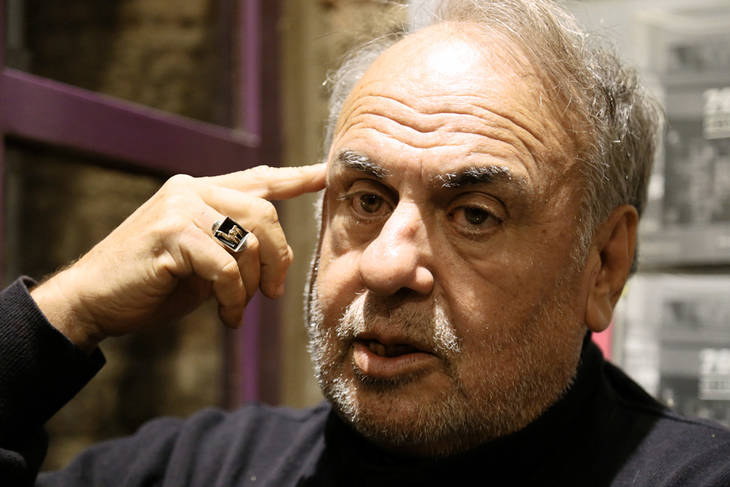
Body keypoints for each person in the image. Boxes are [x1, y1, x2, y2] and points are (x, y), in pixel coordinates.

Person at [2, 0, 729, 485]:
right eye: (367, 200)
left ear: (603, 265)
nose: (385, 265)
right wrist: (64, 314)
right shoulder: (205, 467)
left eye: (475, 215)